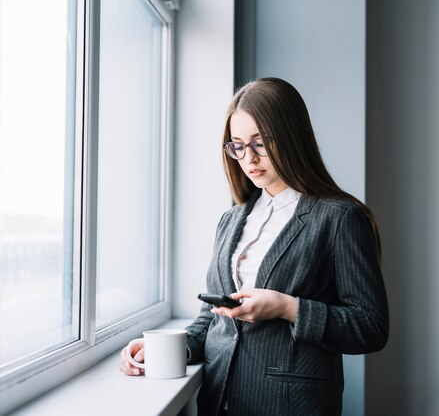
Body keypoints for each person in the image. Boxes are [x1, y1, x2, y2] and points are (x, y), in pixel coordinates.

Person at [120, 77, 389, 415]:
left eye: (260, 143)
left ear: (292, 138)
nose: (249, 158)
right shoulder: (231, 220)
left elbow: (370, 327)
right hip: (220, 402)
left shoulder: (340, 218)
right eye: (237, 145)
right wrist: (162, 348)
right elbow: (212, 321)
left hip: (291, 406)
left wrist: (287, 308)